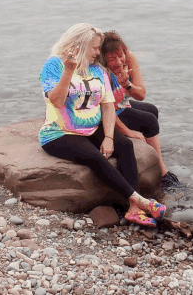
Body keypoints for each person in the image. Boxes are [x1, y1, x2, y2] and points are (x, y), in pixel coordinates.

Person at [38, 23, 166, 227]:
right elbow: (56, 101)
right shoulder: (55, 64)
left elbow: (107, 106)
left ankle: (132, 209)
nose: (99, 52)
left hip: (91, 127)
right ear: (80, 44)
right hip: (59, 132)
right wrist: (68, 72)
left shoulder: (97, 69)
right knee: (95, 157)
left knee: (124, 146)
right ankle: (139, 201)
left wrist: (108, 137)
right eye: (95, 48)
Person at [101, 30, 180, 190]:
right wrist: (127, 131)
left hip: (121, 104)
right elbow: (104, 108)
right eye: (111, 59)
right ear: (103, 59)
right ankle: (163, 173)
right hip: (108, 111)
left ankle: (152, 152)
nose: (118, 62)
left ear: (124, 49)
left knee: (152, 110)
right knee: (149, 121)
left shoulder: (129, 58)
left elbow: (141, 94)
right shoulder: (101, 71)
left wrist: (127, 85)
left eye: (120, 55)